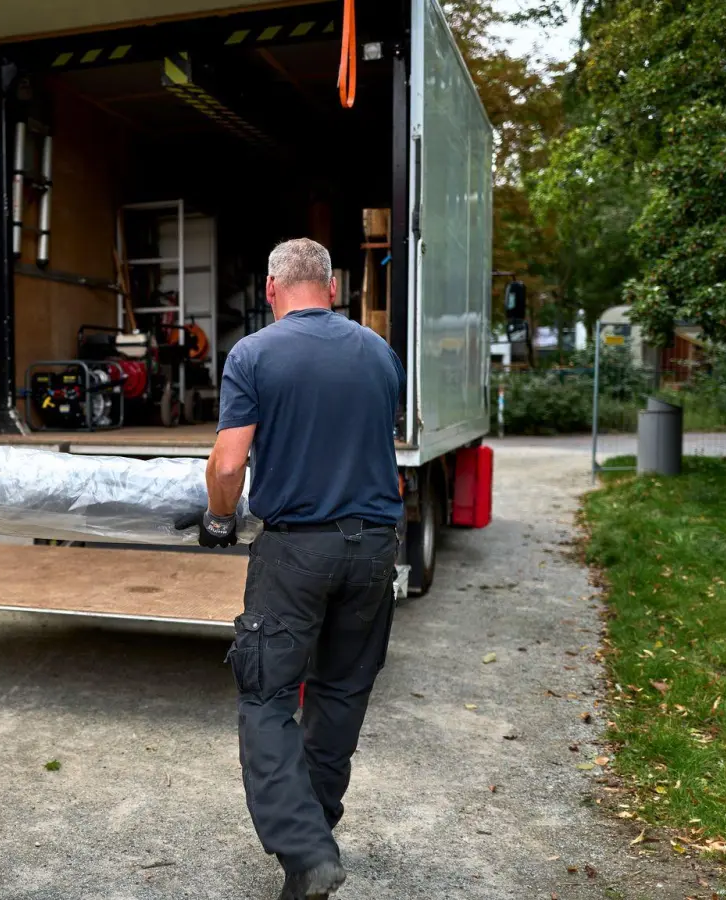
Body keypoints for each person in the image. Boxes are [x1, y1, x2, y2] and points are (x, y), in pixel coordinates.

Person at [198, 238, 404, 900]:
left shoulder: (255, 354)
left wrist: (219, 519)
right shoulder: (379, 353)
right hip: (374, 548)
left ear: (270, 289)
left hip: (296, 552)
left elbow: (229, 463)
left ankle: (307, 852)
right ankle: (316, 834)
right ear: (333, 288)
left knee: (267, 697)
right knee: (341, 693)